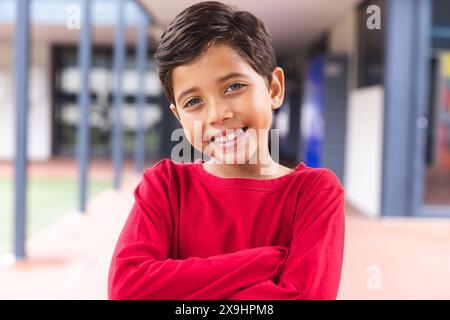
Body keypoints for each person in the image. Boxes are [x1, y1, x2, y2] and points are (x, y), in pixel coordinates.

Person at [108, 1, 345, 300]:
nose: (217, 114)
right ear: (179, 116)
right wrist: (264, 262)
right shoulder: (165, 186)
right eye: (193, 102)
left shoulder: (313, 193)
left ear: (274, 89)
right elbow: (128, 290)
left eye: (233, 86)